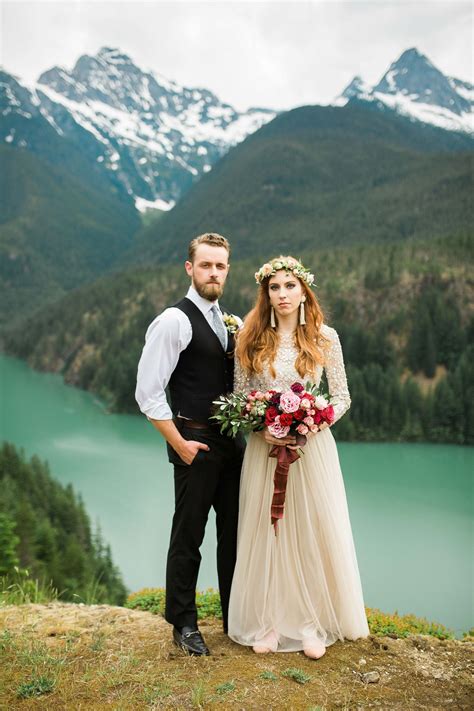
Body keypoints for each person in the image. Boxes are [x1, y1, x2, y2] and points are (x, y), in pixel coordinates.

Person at [228, 255, 369, 659]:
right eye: (274, 287)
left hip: (311, 451)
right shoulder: (251, 339)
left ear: (304, 290)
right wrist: (263, 426)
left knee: (308, 531)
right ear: (265, 294)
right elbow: (240, 398)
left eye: (289, 285)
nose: (282, 294)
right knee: (268, 533)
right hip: (264, 451)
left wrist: (312, 422)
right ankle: (269, 624)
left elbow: (341, 396)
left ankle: (310, 624)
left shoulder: (326, 338)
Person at [135, 233, 245, 656]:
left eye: (220, 266)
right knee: (188, 536)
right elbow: (148, 392)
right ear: (189, 268)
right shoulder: (173, 321)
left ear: (227, 270)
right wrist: (179, 443)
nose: (213, 273)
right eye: (205, 265)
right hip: (193, 442)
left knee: (234, 534)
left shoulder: (228, 320)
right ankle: (183, 623)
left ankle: (237, 616)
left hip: (231, 446)